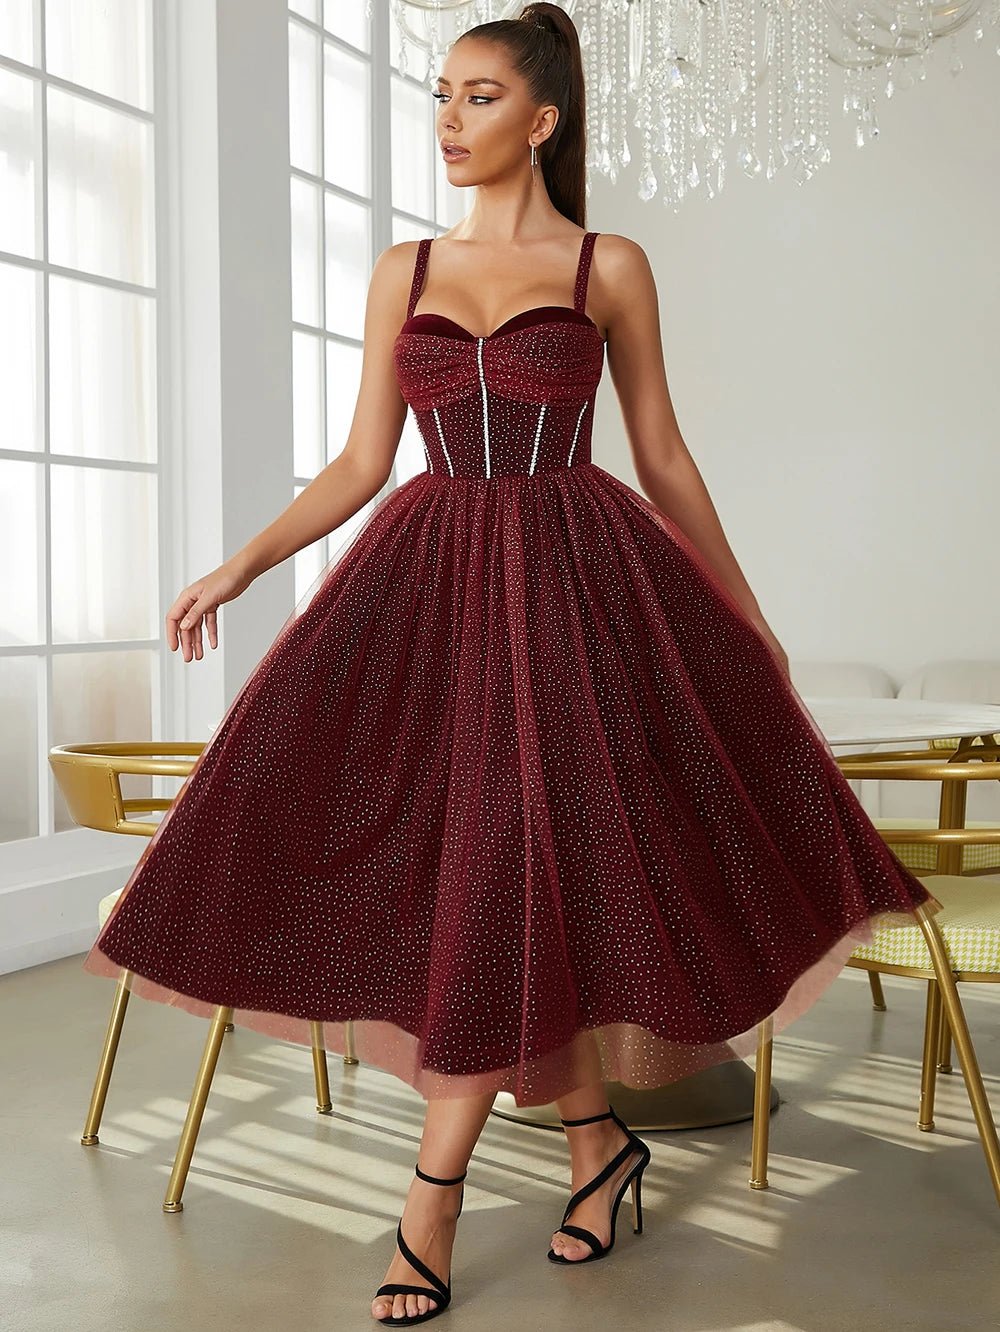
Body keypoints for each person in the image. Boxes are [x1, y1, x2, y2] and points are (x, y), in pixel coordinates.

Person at [82, 4, 943, 1326]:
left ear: (541, 120)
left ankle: (431, 1203)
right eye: (440, 94)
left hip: (579, 592)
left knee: (525, 868)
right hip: (427, 597)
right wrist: (241, 564)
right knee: (481, 876)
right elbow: (365, 465)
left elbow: (661, 454)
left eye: (479, 97)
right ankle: (597, 1150)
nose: (448, 118)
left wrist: (746, 608)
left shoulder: (611, 264)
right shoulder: (403, 268)